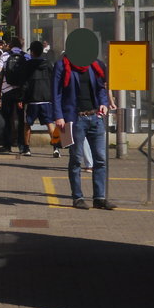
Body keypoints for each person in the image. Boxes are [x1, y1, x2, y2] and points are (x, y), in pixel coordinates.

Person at [52, 53, 112, 210]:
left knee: (101, 159)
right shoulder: (62, 66)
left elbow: (101, 88)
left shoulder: (95, 65)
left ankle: (99, 197)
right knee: (76, 159)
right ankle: (77, 197)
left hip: (95, 117)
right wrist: (58, 116)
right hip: (74, 119)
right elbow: (56, 93)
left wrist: (104, 103)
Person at [18, 40, 54, 156]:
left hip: (32, 98)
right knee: (49, 123)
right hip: (46, 97)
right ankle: (56, 148)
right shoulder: (48, 63)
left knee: (27, 124)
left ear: (32, 52)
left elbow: (24, 83)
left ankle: (27, 148)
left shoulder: (28, 65)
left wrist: (21, 98)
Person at [0, 38, 28, 154]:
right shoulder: (26, 56)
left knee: (7, 118)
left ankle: (7, 145)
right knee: (20, 119)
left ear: (11, 45)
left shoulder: (4, 55)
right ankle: (22, 146)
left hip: (6, 91)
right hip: (20, 92)